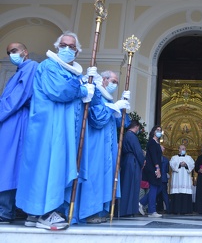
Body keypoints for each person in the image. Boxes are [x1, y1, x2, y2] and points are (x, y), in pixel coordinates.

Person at [15, 31, 96, 230]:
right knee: (50, 165)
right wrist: (84, 89)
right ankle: (46, 212)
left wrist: (84, 82)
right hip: (50, 126)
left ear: (77, 52)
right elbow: (60, 90)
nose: (67, 49)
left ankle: (35, 213)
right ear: (57, 46)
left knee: (48, 166)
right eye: (64, 45)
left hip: (59, 127)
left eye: (72, 47)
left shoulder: (70, 71)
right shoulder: (50, 65)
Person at [81, 70, 131, 223]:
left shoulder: (108, 98)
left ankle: (101, 210)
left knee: (106, 176)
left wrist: (122, 107)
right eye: (114, 81)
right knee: (95, 174)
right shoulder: (95, 94)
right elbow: (96, 118)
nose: (115, 85)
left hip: (108, 146)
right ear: (104, 79)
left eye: (116, 82)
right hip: (96, 143)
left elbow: (122, 123)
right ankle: (89, 212)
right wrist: (114, 107)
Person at [0, 43, 38, 223]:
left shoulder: (30, 66)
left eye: (14, 51)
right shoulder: (19, 72)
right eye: (9, 52)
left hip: (17, 119)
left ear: (25, 51)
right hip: (11, 119)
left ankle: (6, 211)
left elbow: (18, 98)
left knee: (9, 164)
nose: (11, 54)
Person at [118, 119, 145, 217]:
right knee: (131, 185)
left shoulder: (126, 135)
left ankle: (125, 209)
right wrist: (142, 161)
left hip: (127, 161)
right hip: (132, 162)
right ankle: (128, 210)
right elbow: (137, 151)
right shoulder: (132, 136)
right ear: (136, 126)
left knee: (126, 185)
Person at [139, 125, 164, 218]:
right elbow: (154, 156)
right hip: (153, 168)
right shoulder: (152, 143)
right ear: (153, 131)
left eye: (160, 130)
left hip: (155, 167)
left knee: (159, 187)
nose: (159, 132)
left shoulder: (156, 143)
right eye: (157, 130)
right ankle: (152, 211)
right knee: (154, 187)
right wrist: (157, 168)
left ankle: (142, 202)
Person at [169, 144, 195, 214]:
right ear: (179, 149)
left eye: (184, 149)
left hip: (185, 179)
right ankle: (176, 210)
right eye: (182, 149)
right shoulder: (174, 157)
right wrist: (180, 164)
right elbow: (172, 165)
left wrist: (186, 165)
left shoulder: (189, 158)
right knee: (177, 194)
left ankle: (185, 210)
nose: (183, 150)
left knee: (185, 193)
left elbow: (192, 165)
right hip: (177, 179)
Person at [157, 147, 170, 214]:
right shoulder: (166, 159)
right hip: (164, 178)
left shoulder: (156, 158)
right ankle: (168, 208)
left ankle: (157, 208)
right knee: (165, 194)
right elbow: (167, 170)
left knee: (156, 193)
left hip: (157, 177)